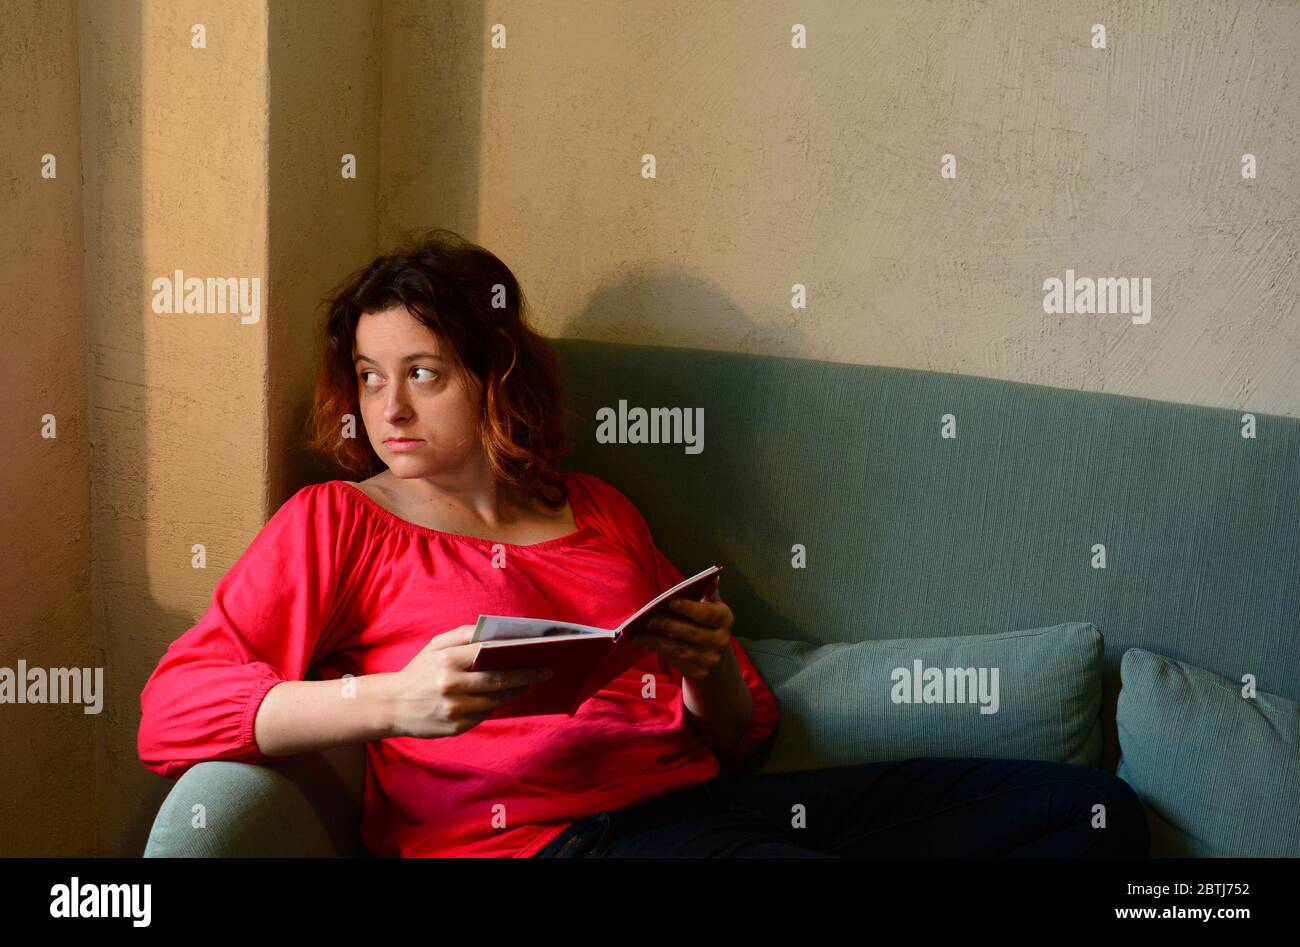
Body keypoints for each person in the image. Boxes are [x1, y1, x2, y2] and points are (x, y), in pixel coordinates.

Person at [137, 229, 1150, 858]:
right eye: (367, 374)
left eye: (423, 373)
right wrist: (392, 701)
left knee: (1085, 810)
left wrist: (704, 670)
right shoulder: (339, 521)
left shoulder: (597, 506)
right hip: (548, 842)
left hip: (702, 806)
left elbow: (740, 728)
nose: (386, 407)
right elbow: (169, 708)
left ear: (494, 374)